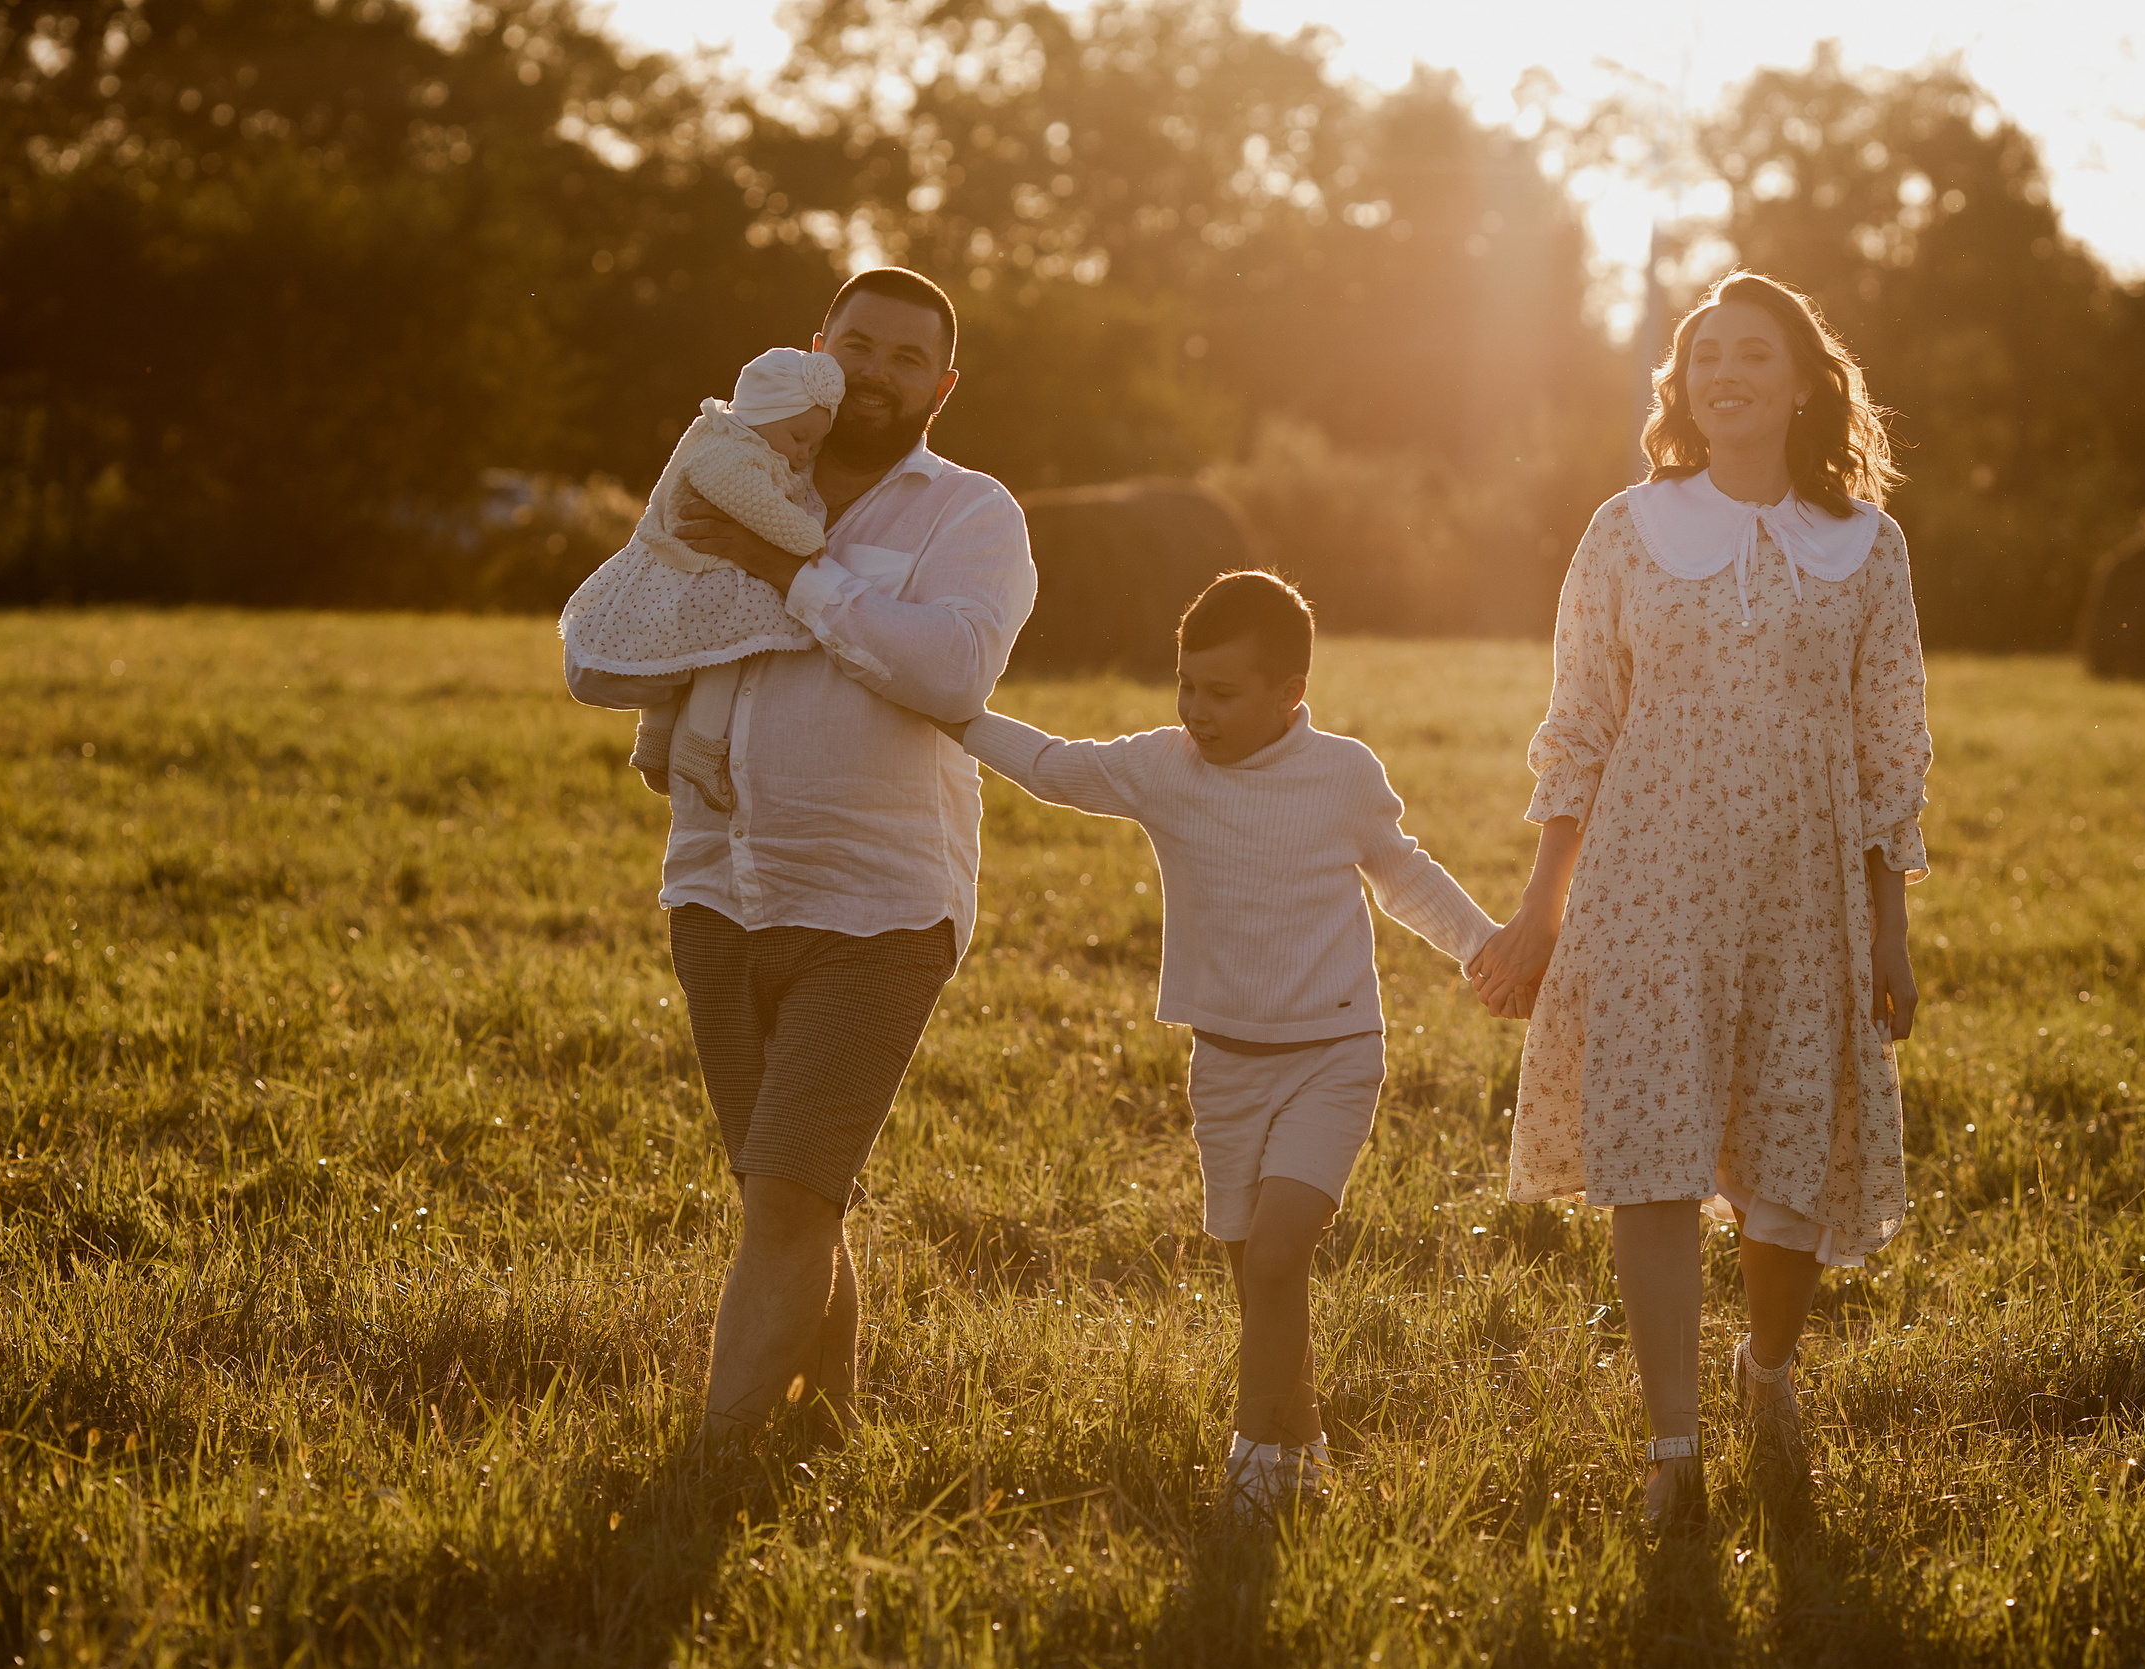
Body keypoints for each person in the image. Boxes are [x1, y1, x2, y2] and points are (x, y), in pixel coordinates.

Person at [1468, 271, 1933, 1528]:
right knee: (1653, 1160)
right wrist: (1539, 910)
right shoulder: (1626, 529)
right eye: (1703, 354)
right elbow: (1578, 726)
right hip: (1646, 878)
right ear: (1681, 386)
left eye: (1753, 353)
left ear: (1800, 385)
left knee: (1789, 1178)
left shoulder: (1866, 547)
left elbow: (1890, 742)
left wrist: (1889, 925)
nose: (1725, 371)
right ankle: (1672, 1450)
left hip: (1805, 891)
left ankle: (1764, 1371)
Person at [563, 267, 1038, 1453]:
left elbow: (946, 674)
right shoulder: (731, 476)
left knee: (785, 1192)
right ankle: (824, 1437)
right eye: (857, 345)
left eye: (904, 356)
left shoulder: (969, 514)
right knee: (789, 1190)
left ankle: (710, 1469)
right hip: (718, 887)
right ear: (814, 347)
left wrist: (786, 573)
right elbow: (608, 647)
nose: (876, 372)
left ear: (942, 383)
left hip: (879, 904)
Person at [929, 571, 1498, 1521]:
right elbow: (1053, 765)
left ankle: (1253, 1471)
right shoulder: (1165, 766)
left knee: (1276, 1258)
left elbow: (1404, 876)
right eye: (1186, 685)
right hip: (1225, 1065)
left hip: (1333, 1052)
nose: (1197, 711)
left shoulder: (1342, 774)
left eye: (1222, 693)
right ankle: (1304, 1446)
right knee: (1258, 1280)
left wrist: (1487, 952)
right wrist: (948, 711)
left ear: (1291, 695)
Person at [559, 347, 846, 813]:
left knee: (688, 653)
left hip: (693, 574)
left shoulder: (739, 439)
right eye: (798, 437)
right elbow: (755, 502)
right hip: (698, 574)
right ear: (763, 414)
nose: (802, 454)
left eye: (812, 446)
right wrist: (805, 535)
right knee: (729, 651)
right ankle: (701, 748)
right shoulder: (730, 448)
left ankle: (655, 741)